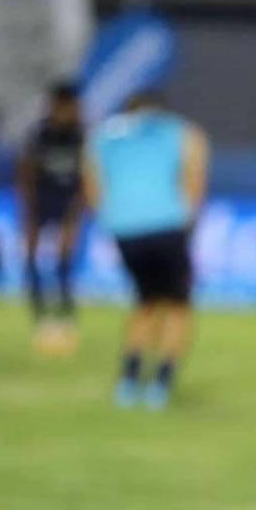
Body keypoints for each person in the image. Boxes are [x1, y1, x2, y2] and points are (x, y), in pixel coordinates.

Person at [83, 92, 209, 410]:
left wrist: (111, 220)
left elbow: (93, 185)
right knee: (178, 306)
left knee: (145, 301)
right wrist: (187, 221)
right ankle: (161, 383)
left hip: (125, 228)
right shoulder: (182, 132)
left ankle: (129, 379)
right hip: (167, 225)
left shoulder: (103, 136)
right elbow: (193, 178)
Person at [17, 81, 85, 354]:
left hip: (67, 201)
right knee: (32, 252)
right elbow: (26, 172)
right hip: (41, 199)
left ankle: (65, 306)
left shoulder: (81, 134)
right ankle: (38, 305)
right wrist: (29, 209)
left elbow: (86, 173)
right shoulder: (39, 135)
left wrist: (78, 208)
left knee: (65, 254)